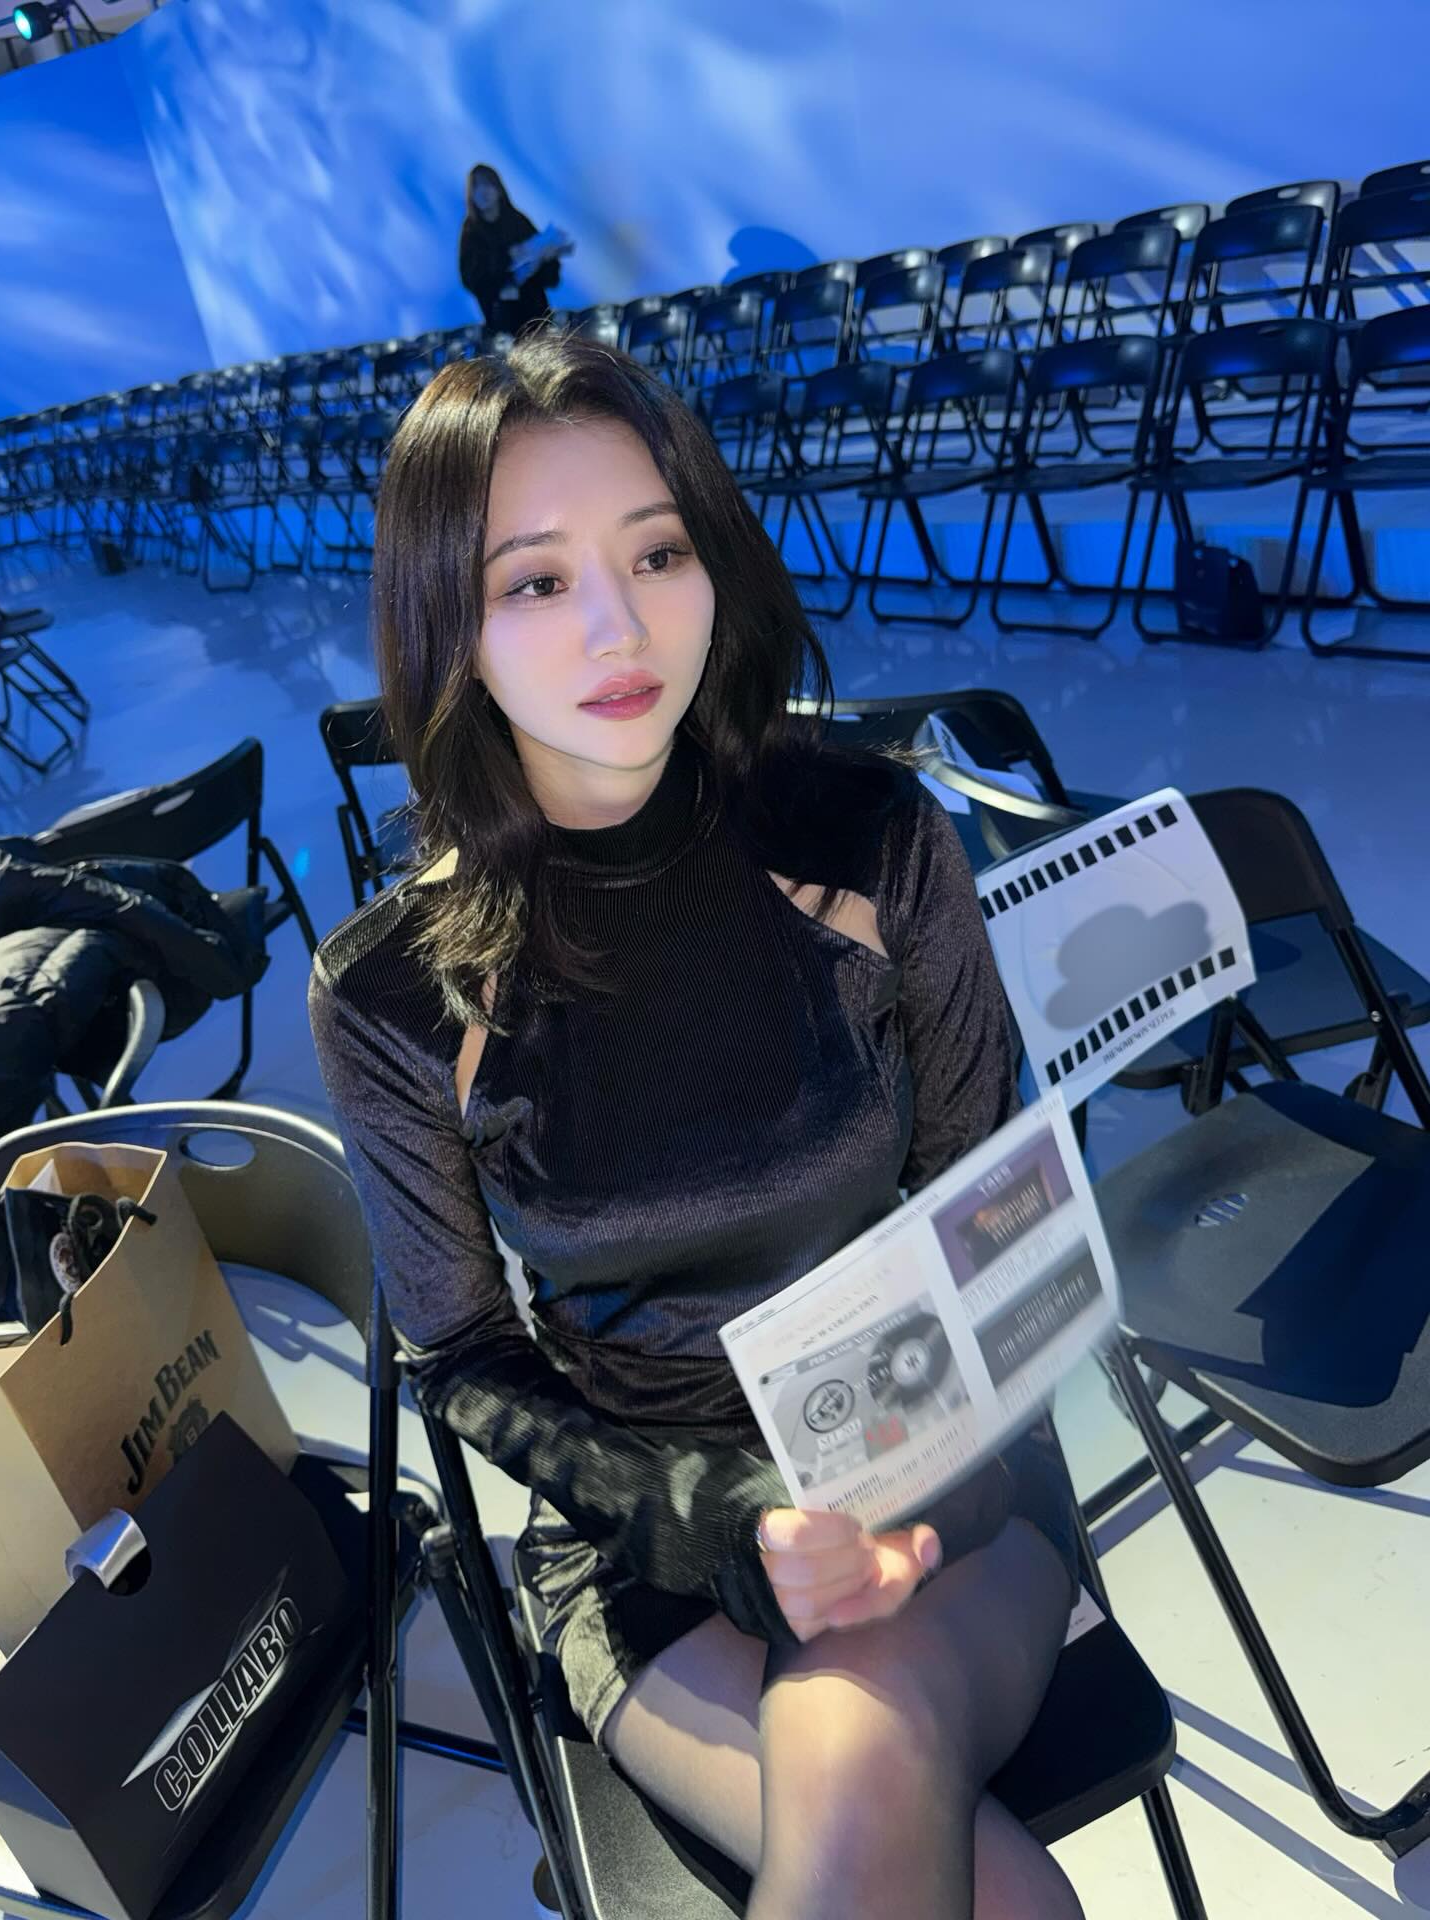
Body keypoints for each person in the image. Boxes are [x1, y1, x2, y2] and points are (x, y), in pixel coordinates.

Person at [308, 333, 1086, 1920]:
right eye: (537, 581)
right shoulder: (391, 991)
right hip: (645, 1539)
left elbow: (987, 1201)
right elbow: (464, 1354)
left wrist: (905, 1480)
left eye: (658, 553)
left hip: (948, 1465)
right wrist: (710, 1517)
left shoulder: (868, 835)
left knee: (864, 1754)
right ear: (447, 623)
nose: (621, 625)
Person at [458, 163, 570, 339]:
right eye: (476, 187)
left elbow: (549, 278)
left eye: (487, 184)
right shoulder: (471, 232)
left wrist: (548, 259)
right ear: (470, 195)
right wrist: (506, 257)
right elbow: (472, 279)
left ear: (498, 189)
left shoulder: (517, 221)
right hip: (501, 326)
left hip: (537, 318)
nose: (482, 192)